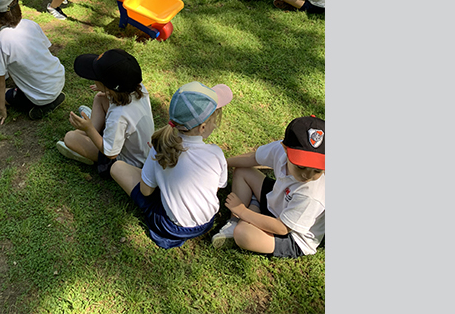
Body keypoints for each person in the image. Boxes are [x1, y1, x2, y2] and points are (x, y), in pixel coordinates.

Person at [108, 82, 233, 249]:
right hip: (207, 222)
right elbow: (215, 188)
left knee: (116, 168)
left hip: (171, 228)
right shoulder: (216, 153)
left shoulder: (159, 149)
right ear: (203, 127)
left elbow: (146, 191)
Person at [211, 116, 325, 259]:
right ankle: (234, 222)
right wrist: (221, 163)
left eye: (318, 170)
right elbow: (253, 158)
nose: (307, 175)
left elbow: (282, 228)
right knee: (242, 170)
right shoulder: (280, 150)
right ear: (285, 149)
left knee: (242, 234)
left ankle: (246, 214)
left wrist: (242, 211)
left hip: (293, 236)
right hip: (278, 200)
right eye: (301, 166)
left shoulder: (311, 194)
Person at [56, 49, 154, 179]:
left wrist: (89, 129)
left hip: (124, 162)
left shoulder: (119, 116)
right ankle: (95, 127)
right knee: (100, 97)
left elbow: (110, 153)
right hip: (140, 147)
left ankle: (88, 132)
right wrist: (105, 89)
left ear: (110, 87)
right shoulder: (137, 87)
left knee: (70, 137)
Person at [0, 0, 66, 122]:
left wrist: (1, 111)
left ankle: (40, 104)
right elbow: (46, 49)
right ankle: (50, 97)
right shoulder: (30, 24)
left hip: (41, 95)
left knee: (6, 94)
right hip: (58, 80)